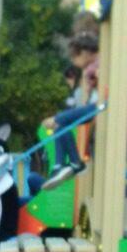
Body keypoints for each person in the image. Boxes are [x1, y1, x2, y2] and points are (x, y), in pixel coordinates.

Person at [41, 35, 100, 191]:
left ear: (86, 53)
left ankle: (68, 164)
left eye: (74, 57)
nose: (73, 62)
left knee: (59, 119)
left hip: (100, 107)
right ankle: (64, 165)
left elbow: (90, 98)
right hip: (95, 106)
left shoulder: (97, 66)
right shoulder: (90, 69)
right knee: (60, 124)